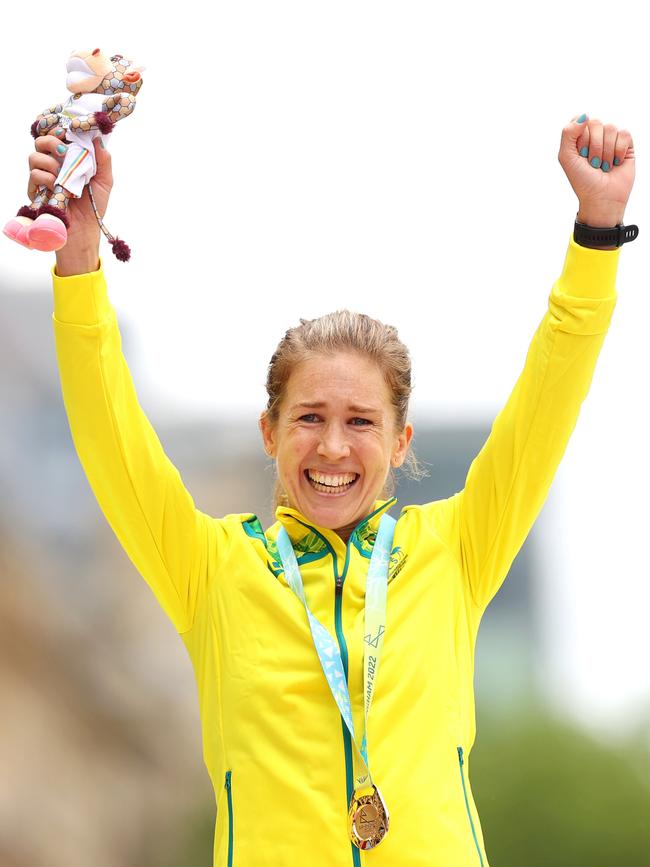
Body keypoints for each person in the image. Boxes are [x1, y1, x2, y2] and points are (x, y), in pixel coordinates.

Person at [29, 113, 635, 866]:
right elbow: (110, 432)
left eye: (361, 421)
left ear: (401, 442)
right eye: (310, 417)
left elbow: (549, 399)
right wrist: (80, 259)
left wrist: (598, 230)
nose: (335, 446)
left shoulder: (456, 549)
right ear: (270, 432)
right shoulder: (212, 569)